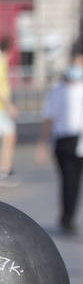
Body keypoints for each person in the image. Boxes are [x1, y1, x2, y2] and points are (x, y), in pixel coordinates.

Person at [37, 52, 83, 234]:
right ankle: (66, 217)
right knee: (67, 179)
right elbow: (49, 118)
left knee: (77, 181)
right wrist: (42, 142)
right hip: (63, 140)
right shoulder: (58, 90)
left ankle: (70, 215)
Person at [0, 38, 17, 185]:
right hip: (0, 108)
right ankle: (5, 170)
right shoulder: (1, 62)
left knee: (9, 135)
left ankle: (5, 168)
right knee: (10, 135)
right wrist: (9, 105)